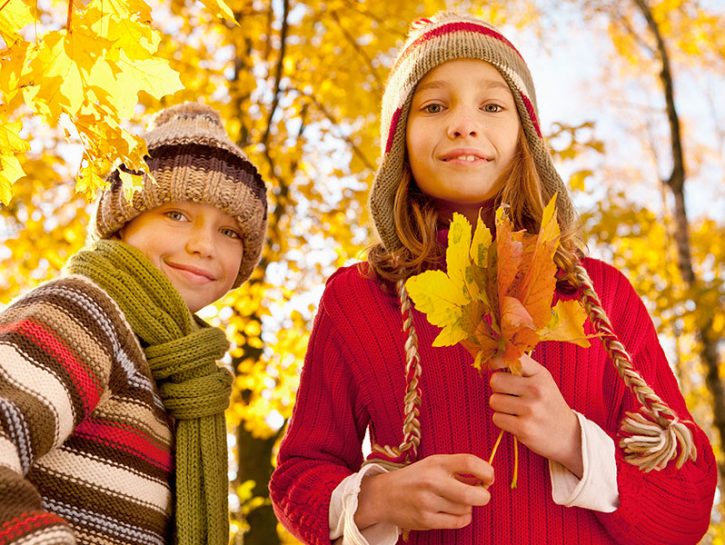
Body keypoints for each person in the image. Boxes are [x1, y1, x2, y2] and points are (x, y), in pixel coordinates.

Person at [269, 12, 716, 545]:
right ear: (399, 143)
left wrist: (573, 441)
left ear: (525, 139)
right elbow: (299, 474)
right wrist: (378, 500)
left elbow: (687, 506)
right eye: (434, 106)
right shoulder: (360, 297)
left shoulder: (598, 294)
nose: (463, 123)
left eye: (492, 105)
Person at [0, 102, 268, 545]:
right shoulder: (85, 313)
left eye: (230, 232)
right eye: (177, 215)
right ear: (123, 224)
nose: (203, 245)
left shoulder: (179, 375)